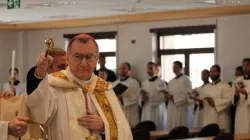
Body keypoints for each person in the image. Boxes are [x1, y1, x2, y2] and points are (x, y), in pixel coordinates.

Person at [26, 34, 132, 140]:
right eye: (78, 57)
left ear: (96, 59)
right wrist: (39, 74)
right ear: (68, 58)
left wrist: (104, 126)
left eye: (89, 57)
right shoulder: (54, 84)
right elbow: (40, 114)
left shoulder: (104, 89)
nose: (84, 63)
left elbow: (123, 128)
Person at [202, 65, 232, 132]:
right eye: (211, 72)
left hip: (221, 118)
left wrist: (215, 102)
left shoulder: (225, 86)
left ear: (219, 73)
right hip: (208, 117)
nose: (212, 73)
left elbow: (230, 100)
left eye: (214, 71)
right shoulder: (206, 87)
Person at [140, 62, 167, 130]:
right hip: (147, 108)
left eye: (151, 68)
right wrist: (142, 99)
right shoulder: (144, 83)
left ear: (155, 69)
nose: (149, 70)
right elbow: (139, 96)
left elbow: (163, 97)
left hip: (157, 109)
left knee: (157, 128)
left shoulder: (161, 82)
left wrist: (150, 98)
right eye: (148, 68)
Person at [112, 62, 140, 128]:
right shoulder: (115, 83)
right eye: (120, 68)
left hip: (130, 112)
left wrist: (121, 98)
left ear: (129, 70)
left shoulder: (134, 82)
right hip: (118, 112)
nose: (121, 70)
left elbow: (135, 98)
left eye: (124, 68)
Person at [167, 61, 192, 130]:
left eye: (176, 67)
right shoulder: (171, 81)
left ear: (181, 68)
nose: (174, 68)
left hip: (181, 108)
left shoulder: (186, 80)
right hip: (172, 107)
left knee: (180, 127)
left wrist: (174, 98)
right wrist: (167, 96)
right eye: (173, 67)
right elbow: (169, 92)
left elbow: (187, 95)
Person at [234, 58, 250, 134]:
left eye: (247, 65)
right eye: (243, 65)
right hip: (241, 110)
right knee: (241, 133)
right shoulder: (237, 81)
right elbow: (233, 98)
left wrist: (246, 92)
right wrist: (236, 96)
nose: (245, 67)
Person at [229, 66, 244, 133]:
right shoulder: (231, 84)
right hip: (234, 110)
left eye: (239, 74)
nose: (237, 76)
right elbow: (230, 98)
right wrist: (236, 96)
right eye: (236, 74)